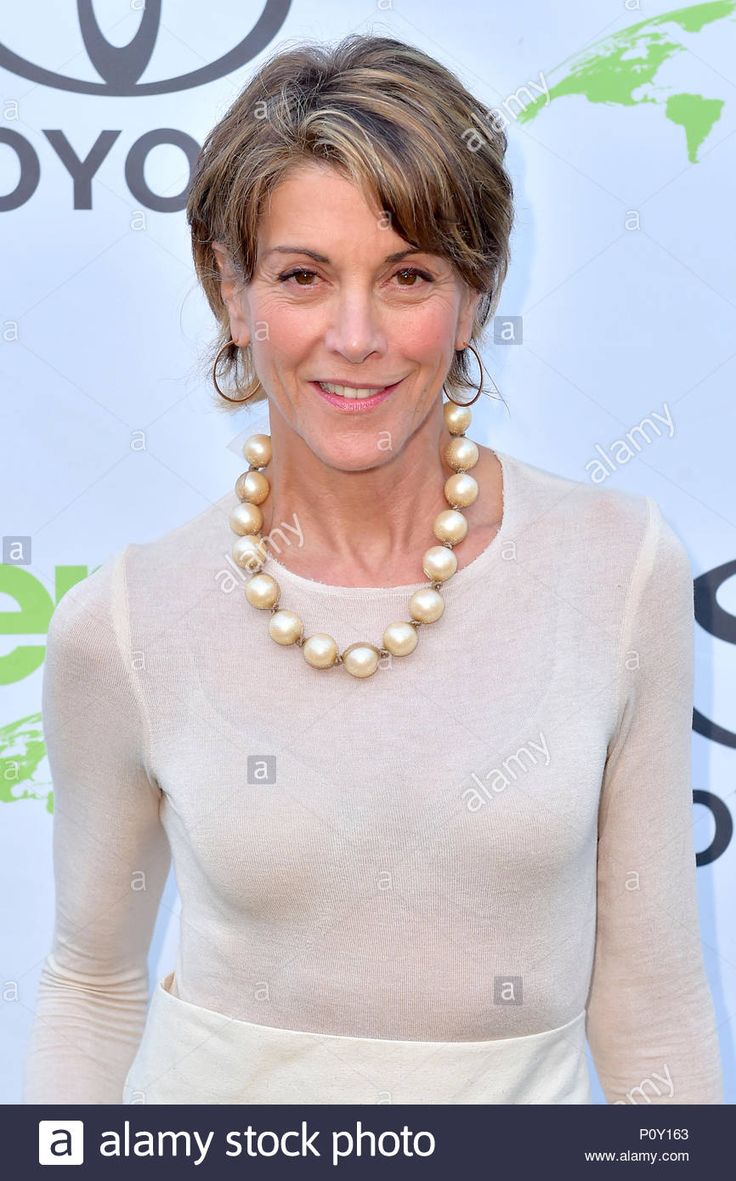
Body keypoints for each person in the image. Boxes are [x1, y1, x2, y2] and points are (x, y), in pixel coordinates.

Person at [23, 33, 723, 1105]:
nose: (355, 336)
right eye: (303, 276)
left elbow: (650, 994)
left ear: (474, 298)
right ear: (233, 295)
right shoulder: (125, 620)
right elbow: (92, 982)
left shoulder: (614, 568)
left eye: (407, 277)